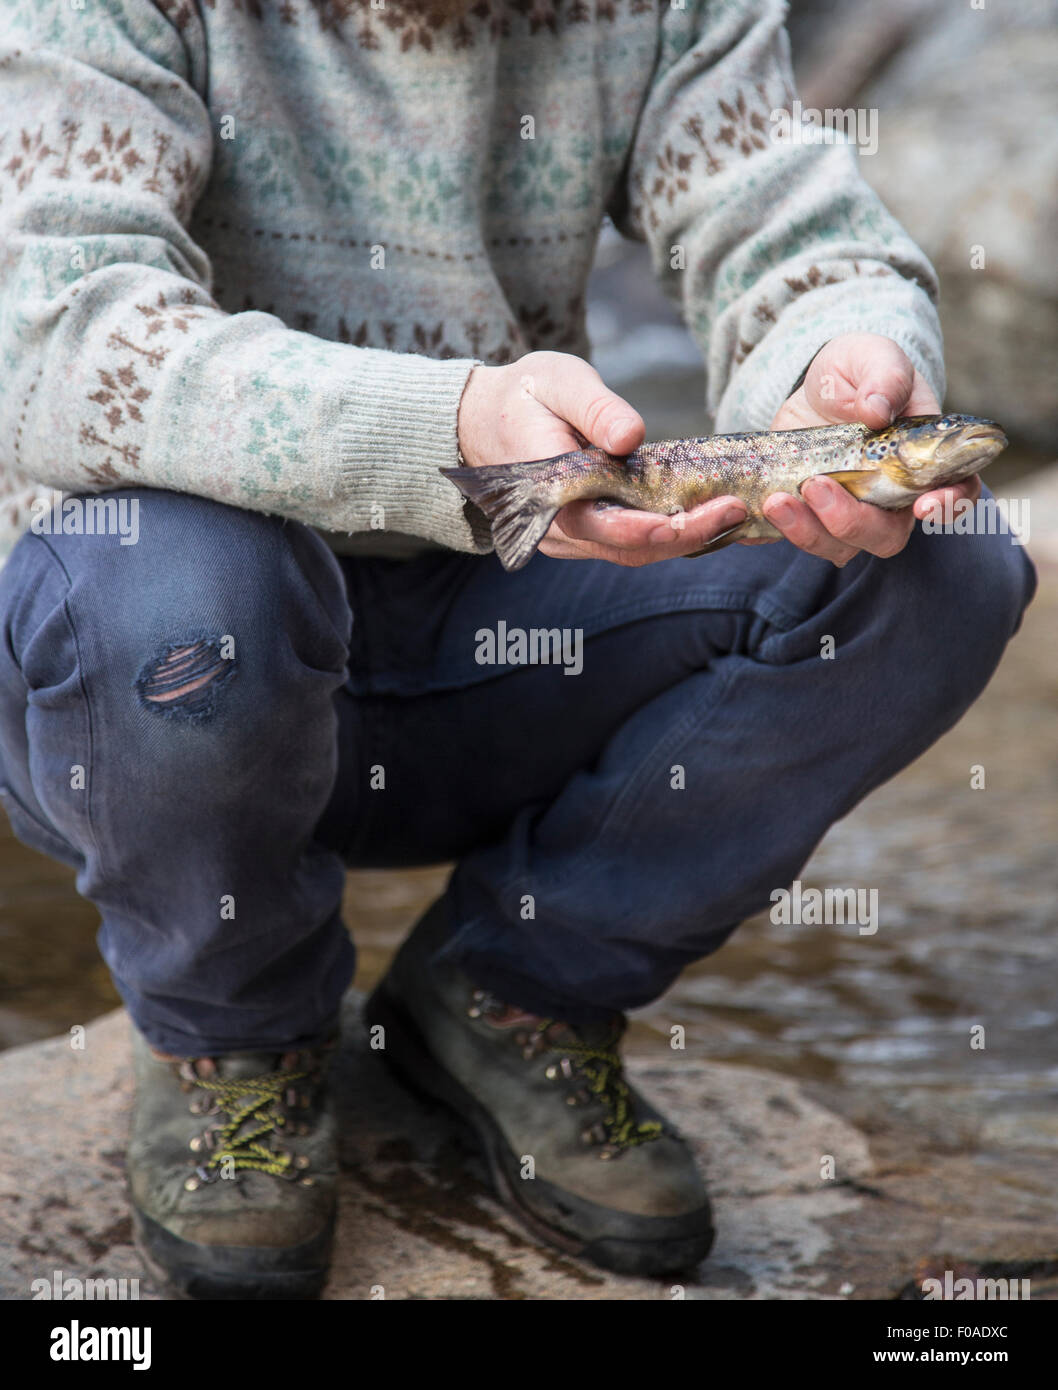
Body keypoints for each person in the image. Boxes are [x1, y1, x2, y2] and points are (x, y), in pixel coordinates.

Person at [0, 0, 1035, 1299]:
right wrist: (456, 422)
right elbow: (52, 337)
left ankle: (512, 995)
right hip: (169, 660)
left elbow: (796, 233)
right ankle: (234, 1039)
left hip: (498, 619)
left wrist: (845, 366)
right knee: (179, 588)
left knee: (942, 562)